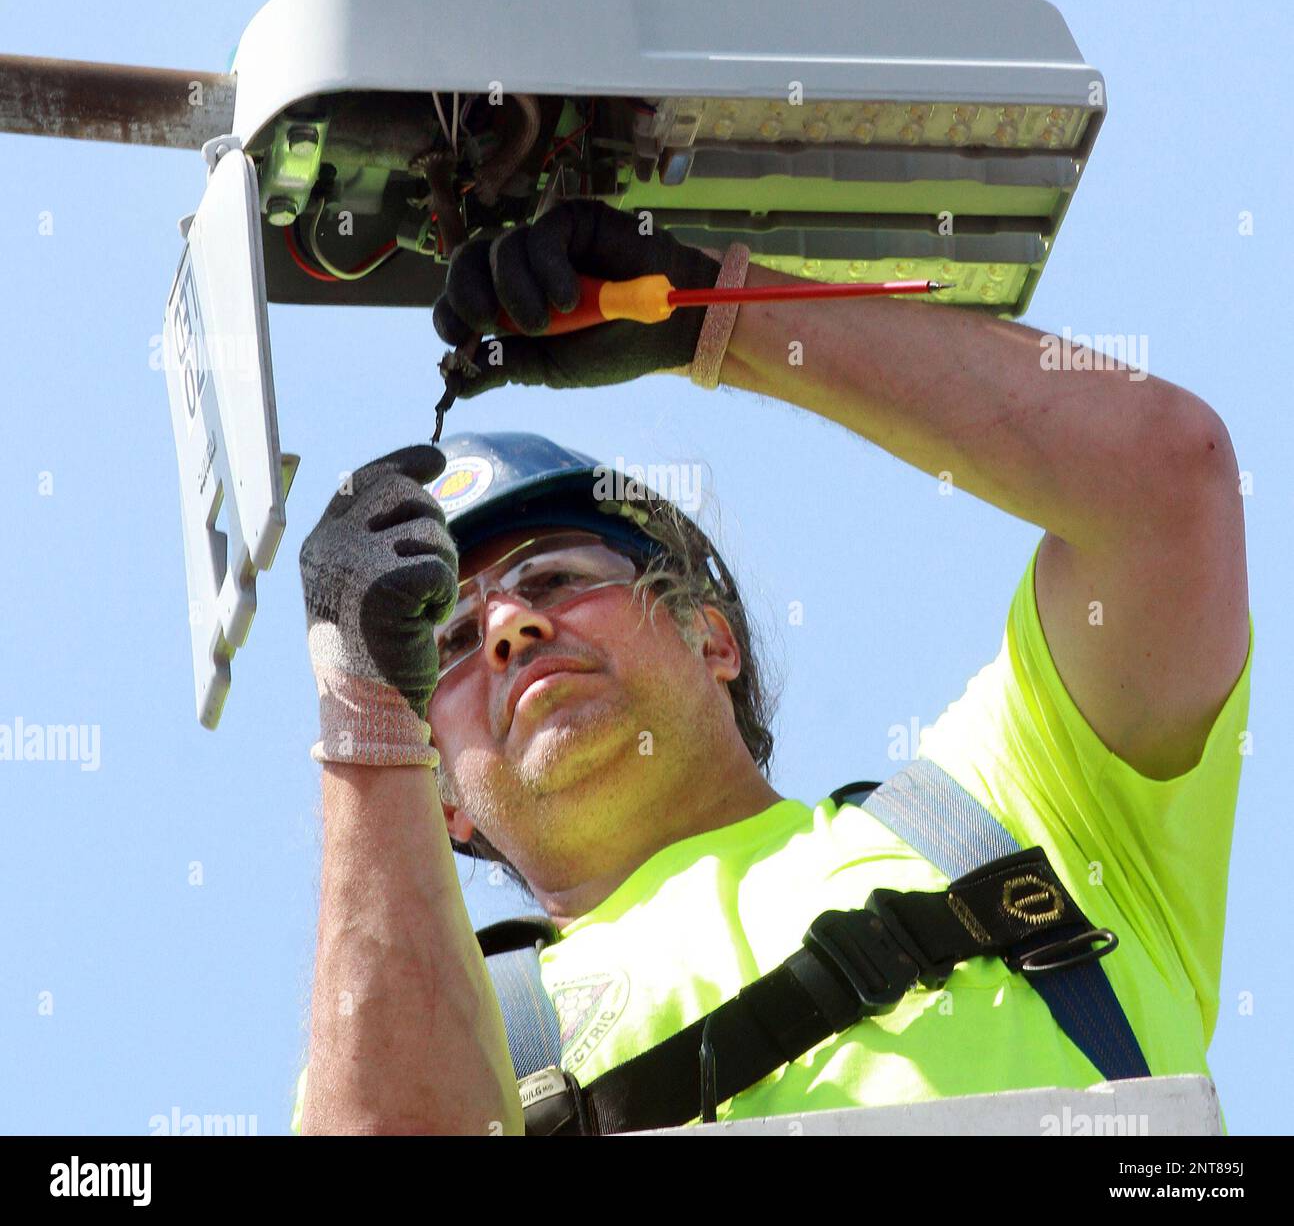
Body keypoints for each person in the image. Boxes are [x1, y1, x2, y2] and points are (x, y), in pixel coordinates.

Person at [293, 200, 1252, 1136]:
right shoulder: (460, 1037)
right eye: (451, 643)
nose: (507, 627)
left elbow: (1167, 481)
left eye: (550, 577)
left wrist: (712, 311)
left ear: (712, 638)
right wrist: (364, 703)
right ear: (446, 805)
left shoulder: (1011, 809)